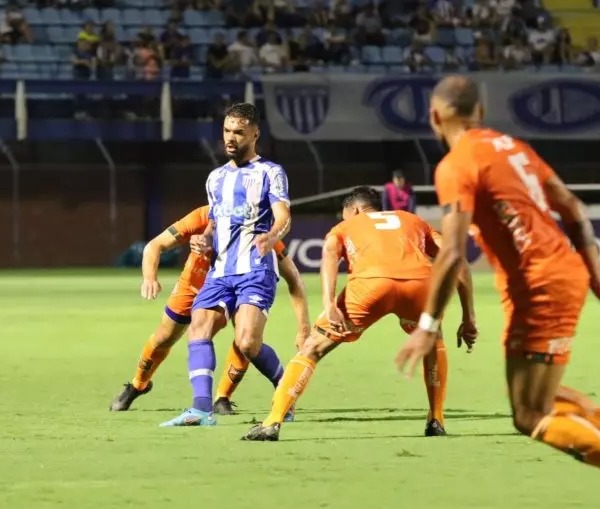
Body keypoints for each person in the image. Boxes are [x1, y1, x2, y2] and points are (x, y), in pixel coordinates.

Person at [395, 75, 600, 467]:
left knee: (530, 415)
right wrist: (595, 276)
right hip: (561, 272)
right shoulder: (513, 148)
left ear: (434, 117)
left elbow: (452, 250)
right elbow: (573, 209)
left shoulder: (456, 164)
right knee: (539, 398)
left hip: (538, 284)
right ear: (481, 112)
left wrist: (426, 325)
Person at [242, 186, 477, 441]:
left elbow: (330, 253)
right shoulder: (413, 220)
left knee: (312, 348)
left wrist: (329, 302)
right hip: (419, 286)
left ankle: (272, 422)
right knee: (433, 339)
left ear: (354, 209)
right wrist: (468, 317)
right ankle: (436, 420)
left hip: (370, 287)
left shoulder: (344, 228)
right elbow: (456, 259)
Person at [160, 103, 292, 427]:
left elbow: (284, 218)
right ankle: (201, 409)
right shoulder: (215, 178)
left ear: (254, 133)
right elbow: (215, 223)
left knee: (247, 342)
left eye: (238, 132)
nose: (230, 138)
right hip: (220, 271)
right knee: (198, 328)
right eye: (227, 131)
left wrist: (272, 236)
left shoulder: (270, 172)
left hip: (255, 269)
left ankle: (287, 390)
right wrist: (204, 238)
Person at [109, 205, 310, 414]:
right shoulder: (202, 216)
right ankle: (138, 385)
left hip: (236, 285)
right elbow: (154, 245)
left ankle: (221, 398)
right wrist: (149, 278)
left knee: (245, 338)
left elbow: (294, 278)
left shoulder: (255, 224)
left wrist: (304, 327)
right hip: (194, 284)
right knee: (164, 337)